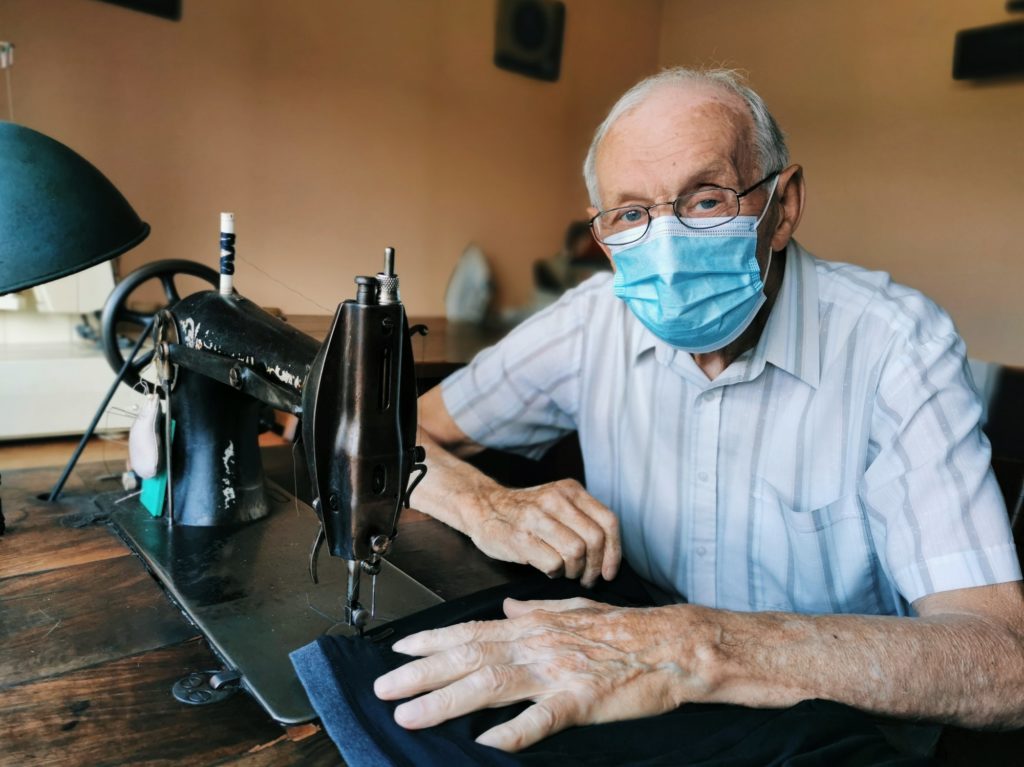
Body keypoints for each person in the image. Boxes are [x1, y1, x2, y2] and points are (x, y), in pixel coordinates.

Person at [373, 67, 1024, 753]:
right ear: (602, 234)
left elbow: (1003, 659)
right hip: (647, 701)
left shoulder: (895, 344)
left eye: (706, 200)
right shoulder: (594, 320)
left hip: (838, 734)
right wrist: (489, 506)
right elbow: (403, 431)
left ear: (785, 205)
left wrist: (699, 644)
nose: (668, 246)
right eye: (630, 214)